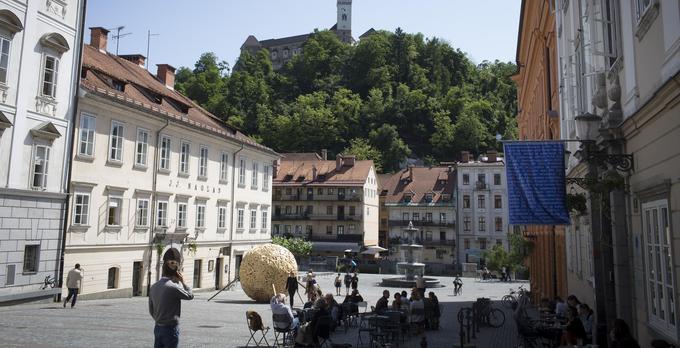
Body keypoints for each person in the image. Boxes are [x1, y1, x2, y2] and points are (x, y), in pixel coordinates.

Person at [149, 251, 194, 348]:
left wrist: (159, 319)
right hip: (170, 328)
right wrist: (183, 282)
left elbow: (151, 310)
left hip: (157, 327)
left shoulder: (153, 287)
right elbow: (190, 296)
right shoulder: (173, 287)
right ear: (176, 274)